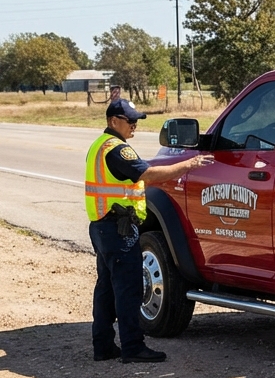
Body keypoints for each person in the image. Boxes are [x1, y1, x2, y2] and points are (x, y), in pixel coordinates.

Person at [85, 98, 212, 363]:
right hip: (118, 230)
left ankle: (103, 346)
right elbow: (148, 175)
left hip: (102, 226)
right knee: (128, 290)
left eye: (136, 121)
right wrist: (188, 165)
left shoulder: (99, 145)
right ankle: (132, 347)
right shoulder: (117, 150)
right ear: (113, 121)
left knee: (106, 289)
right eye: (129, 121)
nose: (134, 126)